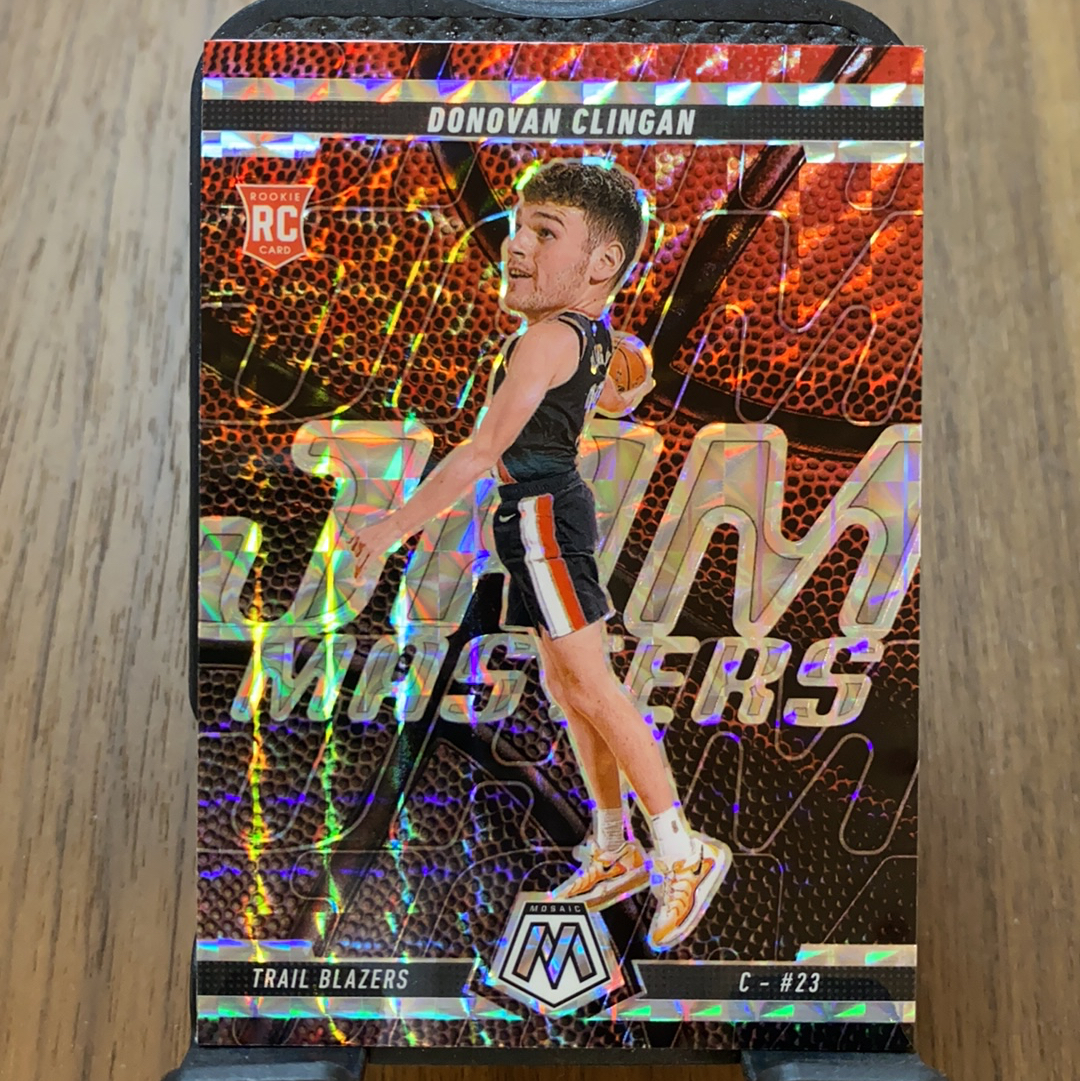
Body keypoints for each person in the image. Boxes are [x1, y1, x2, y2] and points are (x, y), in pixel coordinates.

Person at [349, 160, 731, 951]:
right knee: (567, 686)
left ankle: (681, 849)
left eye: (544, 232)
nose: (516, 245)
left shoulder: (545, 340)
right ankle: (614, 844)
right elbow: (621, 388)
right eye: (518, 227)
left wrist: (393, 527)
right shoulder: (588, 334)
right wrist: (625, 374)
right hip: (536, 516)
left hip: (545, 515)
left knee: (595, 686)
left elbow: (481, 449)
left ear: (601, 263)